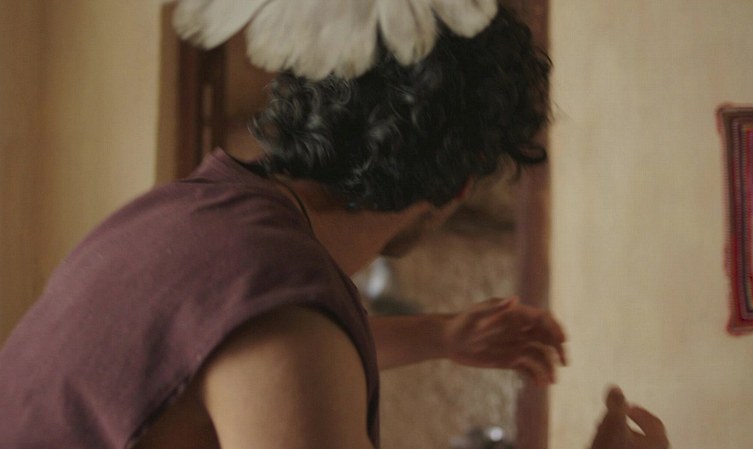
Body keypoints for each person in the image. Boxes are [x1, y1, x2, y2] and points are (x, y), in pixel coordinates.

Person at [0, 5, 667, 449]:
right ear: (456, 184)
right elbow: (280, 349)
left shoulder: (192, 211)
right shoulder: (284, 309)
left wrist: (442, 334)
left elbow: (228, 342)